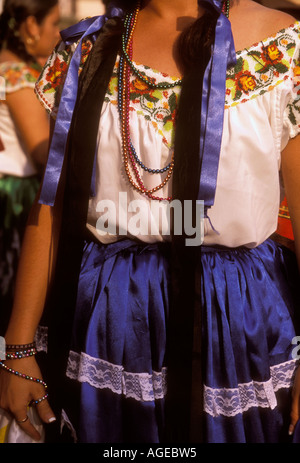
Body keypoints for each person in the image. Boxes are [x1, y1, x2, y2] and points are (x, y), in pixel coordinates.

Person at [0, 0, 300, 444]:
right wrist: (17, 346)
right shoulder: (87, 47)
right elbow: (54, 206)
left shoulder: (282, 46)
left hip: (235, 322)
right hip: (109, 322)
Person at [0, 0, 60, 337]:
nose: (57, 34)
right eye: (53, 24)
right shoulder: (16, 75)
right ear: (32, 26)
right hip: (15, 196)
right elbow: (42, 153)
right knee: (11, 294)